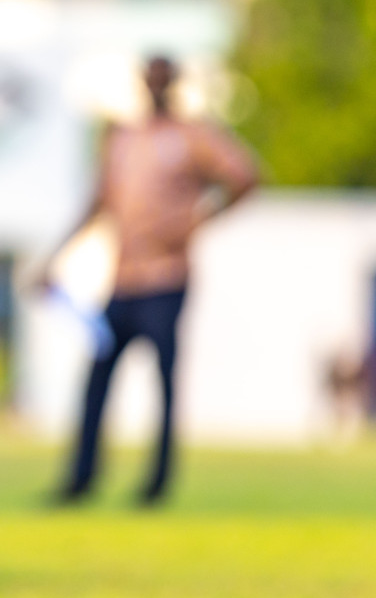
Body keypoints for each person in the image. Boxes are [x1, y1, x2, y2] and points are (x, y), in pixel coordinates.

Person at [39, 56, 256, 506]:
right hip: (122, 279)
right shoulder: (121, 138)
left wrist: (199, 219)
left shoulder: (193, 137)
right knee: (97, 377)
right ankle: (81, 478)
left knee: (164, 382)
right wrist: (53, 259)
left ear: (174, 84)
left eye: (163, 79)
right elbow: (97, 202)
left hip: (166, 278)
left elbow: (245, 177)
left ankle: (156, 484)